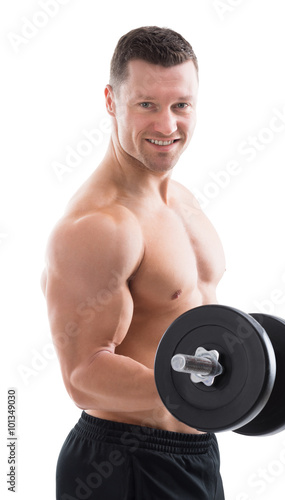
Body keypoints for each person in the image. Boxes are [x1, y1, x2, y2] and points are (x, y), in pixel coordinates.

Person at [42, 26, 226, 499]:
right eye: (147, 105)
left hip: (196, 452)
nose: (167, 126)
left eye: (181, 105)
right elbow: (83, 376)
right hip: (123, 462)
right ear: (110, 100)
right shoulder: (100, 225)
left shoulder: (181, 202)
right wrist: (212, 393)